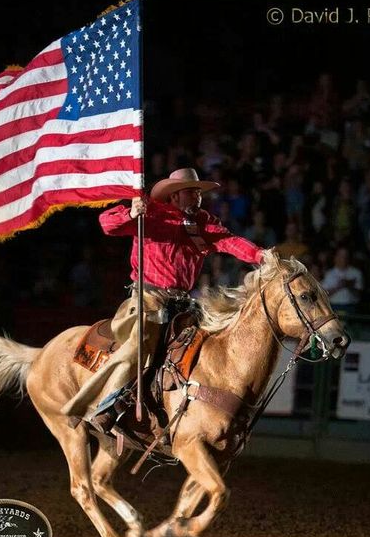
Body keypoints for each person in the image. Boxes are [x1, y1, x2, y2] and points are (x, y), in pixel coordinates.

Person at [61, 168, 266, 431]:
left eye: (199, 192)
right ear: (175, 196)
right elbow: (107, 224)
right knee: (138, 347)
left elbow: (229, 241)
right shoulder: (151, 213)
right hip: (148, 299)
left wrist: (260, 256)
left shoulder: (203, 222)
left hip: (183, 304)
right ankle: (106, 404)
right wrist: (131, 212)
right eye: (192, 191)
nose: (198, 196)